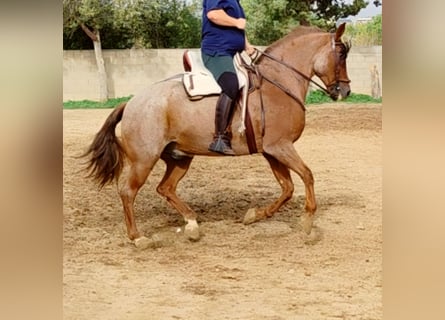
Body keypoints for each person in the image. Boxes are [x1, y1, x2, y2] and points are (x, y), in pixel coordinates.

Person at [201, 0, 255, 155]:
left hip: (233, 53)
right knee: (231, 84)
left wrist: (247, 46)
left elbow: (238, 30)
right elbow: (213, 14)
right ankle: (219, 138)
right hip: (216, 51)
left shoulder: (235, 2)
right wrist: (237, 22)